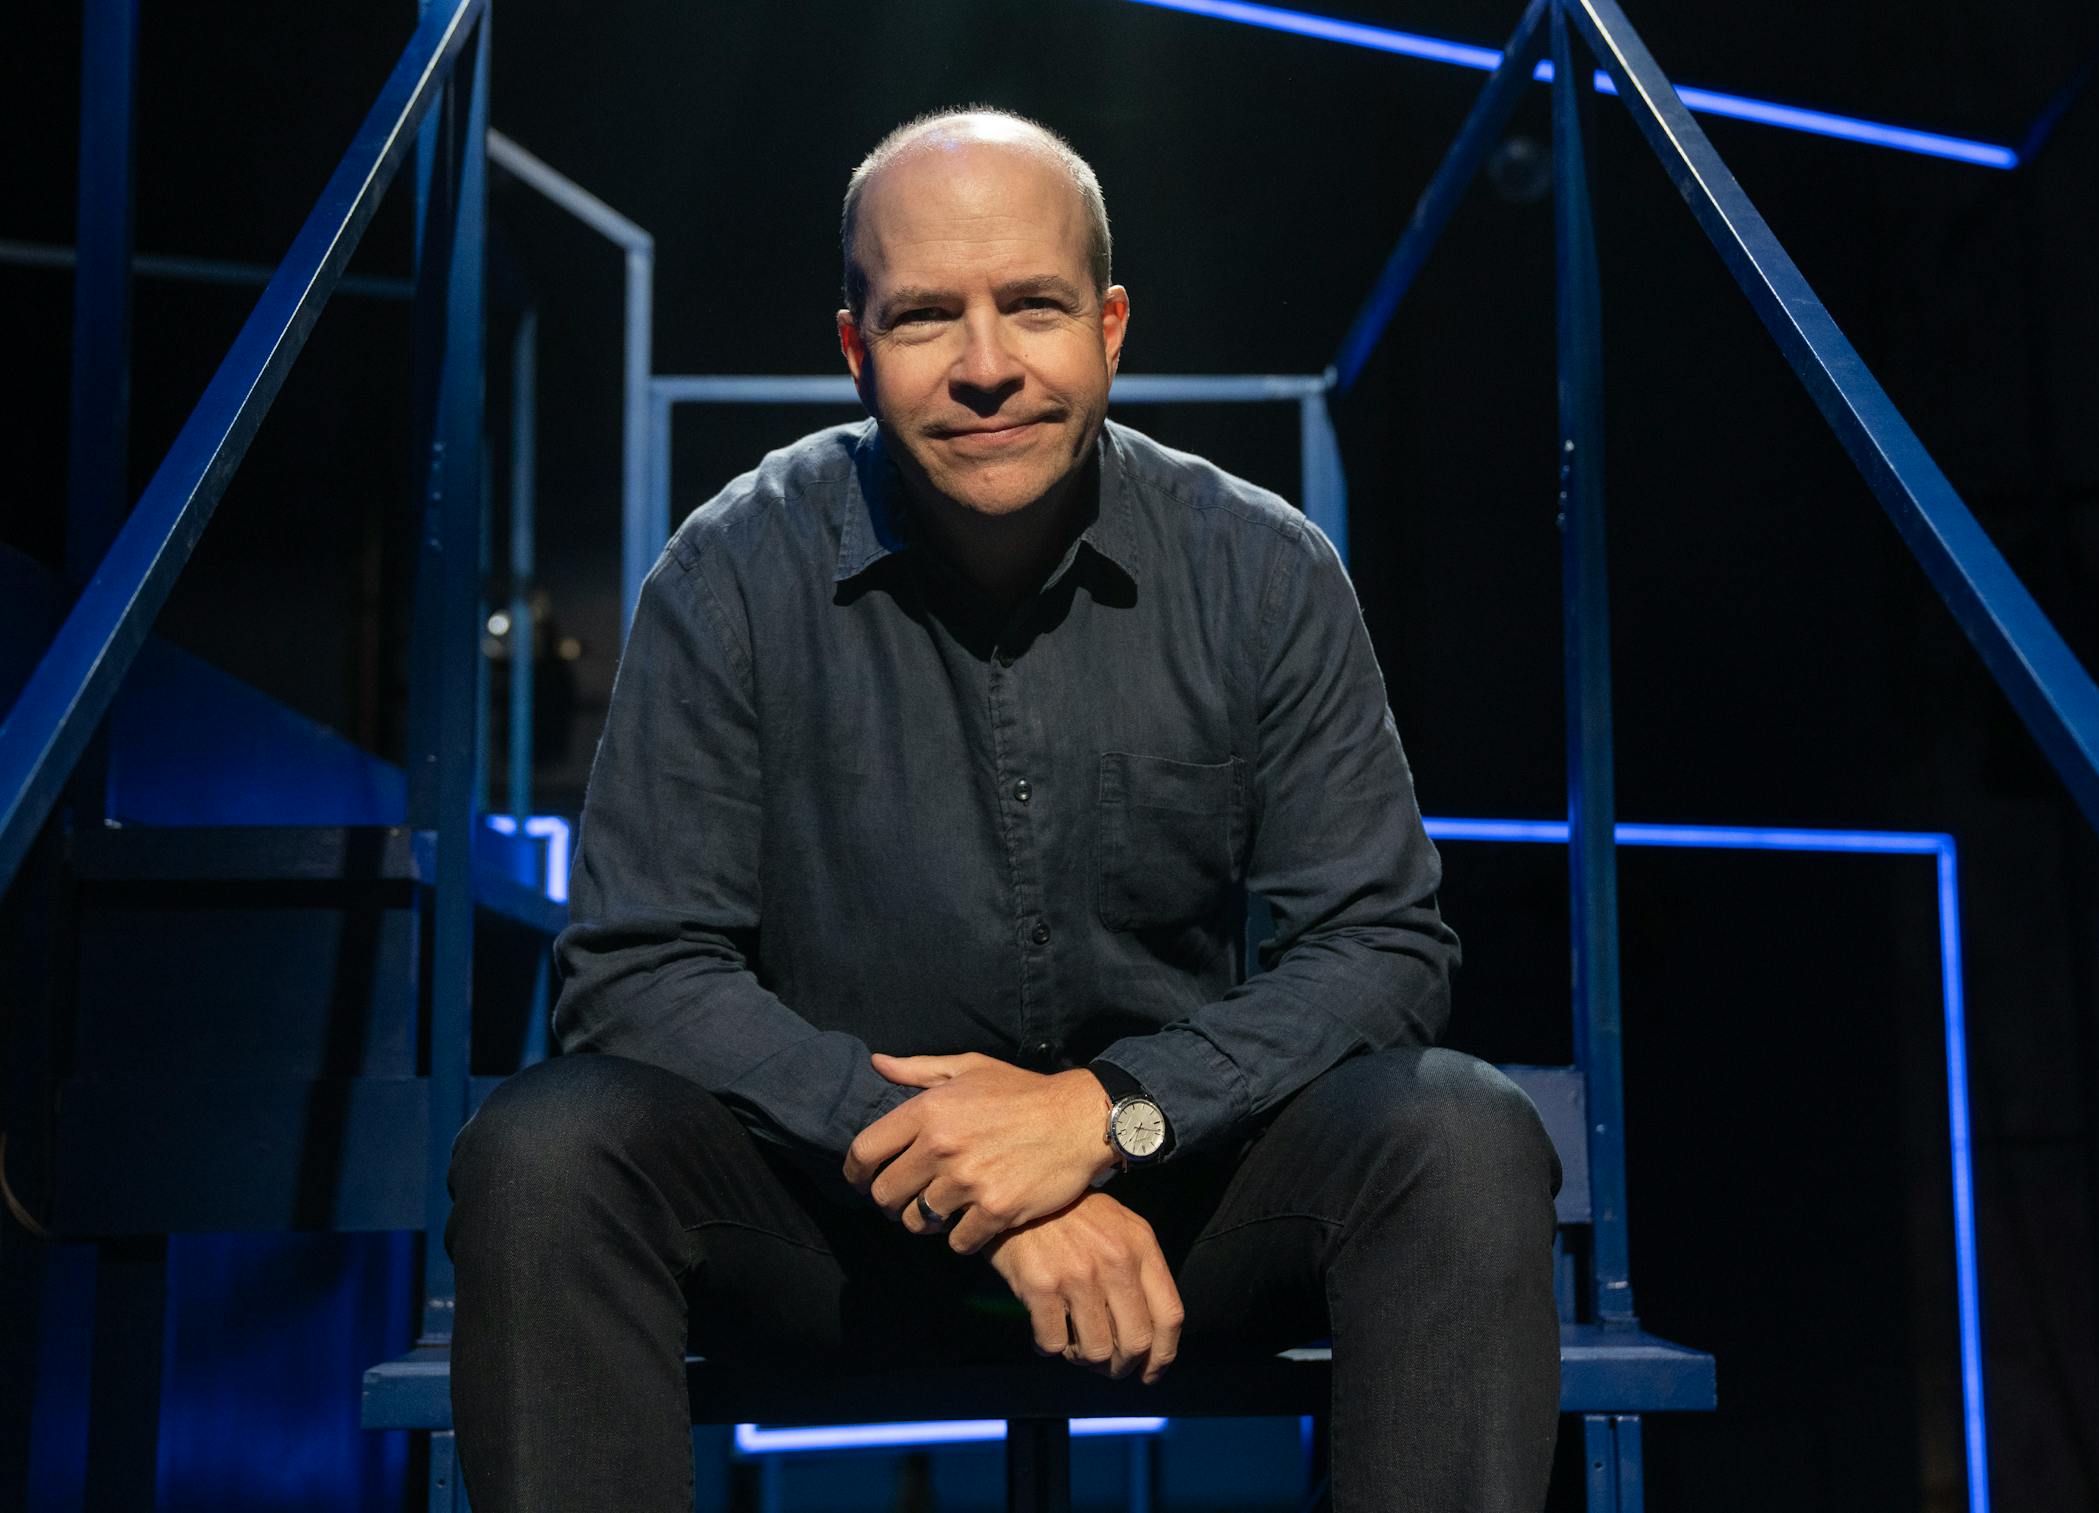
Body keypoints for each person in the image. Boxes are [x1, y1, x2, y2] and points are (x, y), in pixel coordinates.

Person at [445, 107, 1561, 1511]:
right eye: (924, 317)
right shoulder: (728, 572)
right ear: (855, 350)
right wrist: (967, 1175)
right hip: (833, 1219)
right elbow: (635, 971)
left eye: (1030, 306)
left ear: (1110, 327)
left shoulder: (1261, 568)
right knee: (544, 1153)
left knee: (1460, 1136)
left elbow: (1386, 947)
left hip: (1174, 1202)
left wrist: (1110, 1119)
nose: (985, 368)